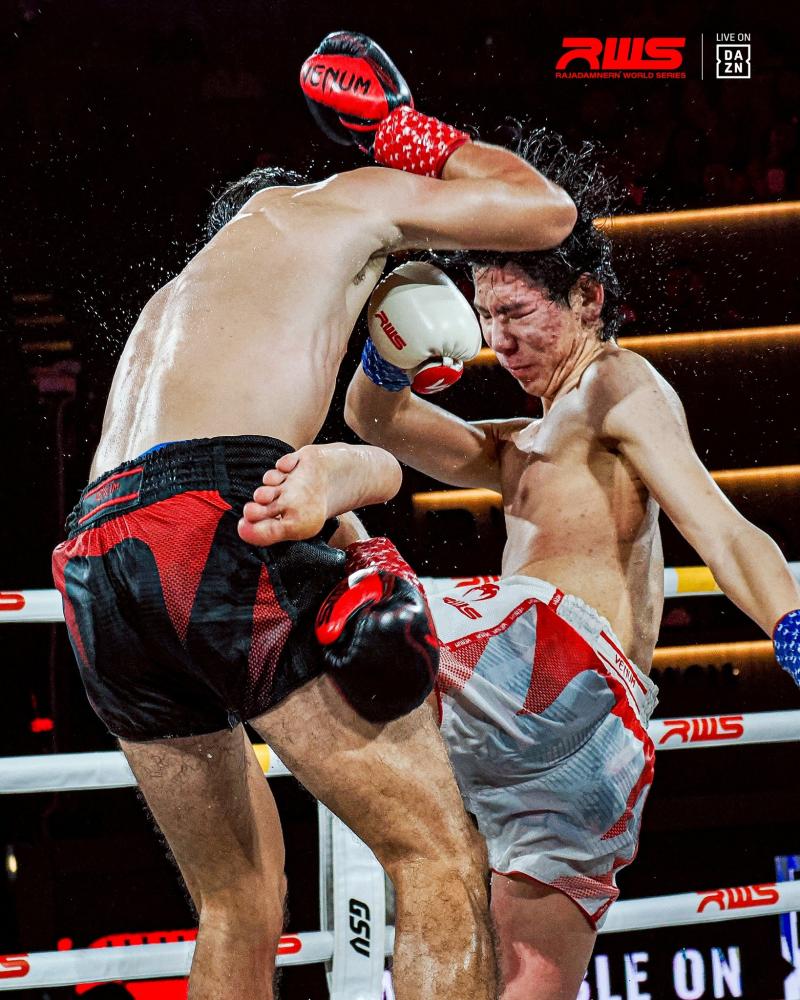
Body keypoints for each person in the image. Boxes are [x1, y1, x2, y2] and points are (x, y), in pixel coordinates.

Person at [51, 32, 577, 1000]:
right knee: (437, 859)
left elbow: (302, 454)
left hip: (95, 554)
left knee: (235, 902)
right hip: (212, 517)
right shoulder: (331, 201)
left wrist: (361, 448)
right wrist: (403, 134)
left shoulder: (181, 303)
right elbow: (545, 211)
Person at [344, 129, 800, 1000]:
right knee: (525, 979)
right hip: (589, 753)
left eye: (516, 313)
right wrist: (391, 345)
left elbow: (721, 526)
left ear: (588, 299)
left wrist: (791, 625)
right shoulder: (521, 444)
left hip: (560, 665)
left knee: (342, 565)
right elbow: (377, 421)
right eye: (485, 319)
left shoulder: (615, 386)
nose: (497, 340)